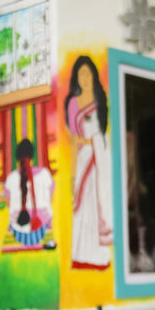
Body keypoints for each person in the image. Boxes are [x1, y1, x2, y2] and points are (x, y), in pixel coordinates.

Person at [64, 55, 113, 269]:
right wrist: (73, 175)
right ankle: (82, 255)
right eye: (80, 73)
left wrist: (92, 142)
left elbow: (102, 137)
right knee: (83, 209)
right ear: (76, 77)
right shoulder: (73, 103)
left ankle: (100, 257)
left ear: (93, 76)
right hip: (84, 160)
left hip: (99, 164)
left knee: (98, 204)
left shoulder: (101, 102)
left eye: (88, 73)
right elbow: (74, 141)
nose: (84, 78)